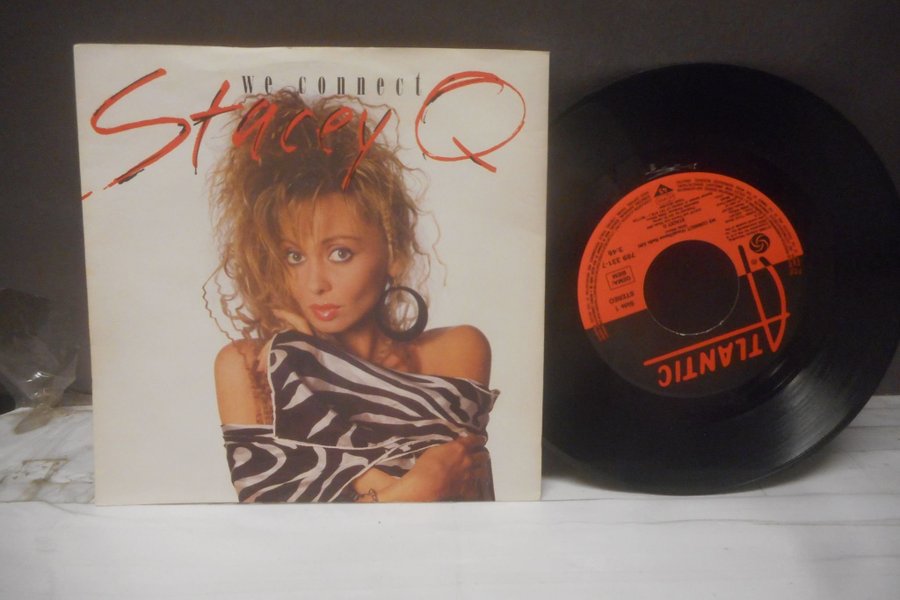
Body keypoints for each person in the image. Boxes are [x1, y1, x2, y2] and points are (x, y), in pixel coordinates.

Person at [210, 90, 497, 503]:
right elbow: (272, 526)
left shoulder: (457, 351)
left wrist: (388, 494)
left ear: (394, 252)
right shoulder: (249, 368)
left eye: (340, 253)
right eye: (294, 256)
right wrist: (295, 358)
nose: (315, 283)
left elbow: (457, 513)